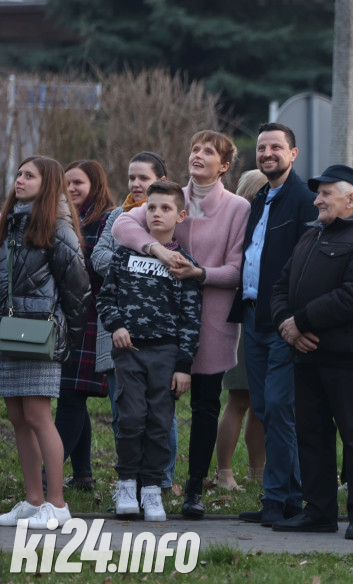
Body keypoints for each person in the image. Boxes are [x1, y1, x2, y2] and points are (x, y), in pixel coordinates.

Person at [113, 130, 250, 518]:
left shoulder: (238, 207)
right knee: (151, 408)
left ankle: (194, 490)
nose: (198, 155)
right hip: (157, 326)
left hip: (210, 319)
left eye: (209, 151)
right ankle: (144, 483)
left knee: (206, 406)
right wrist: (155, 248)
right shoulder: (171, 196)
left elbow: (238, 269)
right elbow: (122, 226)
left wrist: (199, 272)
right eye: (194, 148)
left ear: (224, 165)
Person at [269, 164, 353, 539]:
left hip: (348, 356)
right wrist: (289, 327)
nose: (316, 200)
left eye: (325, 194)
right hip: (306, 353)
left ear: (352, 198)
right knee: (311, 435)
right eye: (317, 193)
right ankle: (318, 511)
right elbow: (280, 287)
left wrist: (301, 321)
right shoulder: (312, 236)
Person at [228, 123, 317, 526]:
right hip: (252, 317)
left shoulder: (303, 201)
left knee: (280, 407)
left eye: (276, 148)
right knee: (264, 408)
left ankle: (283, 499)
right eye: (262, 148)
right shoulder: (260, 198)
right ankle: (284, 496)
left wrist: (296, 319)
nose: (267, 154)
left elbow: (306, 267)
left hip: (284, 322)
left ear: (293, 154)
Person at [97, 180, 201, 522]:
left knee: (159, 422)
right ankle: (127, 482)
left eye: (166, 208)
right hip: (130, 352)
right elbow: (106, 297)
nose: (157, 214)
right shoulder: (127, 254)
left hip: (166, 355)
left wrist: (183, 364)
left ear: (180, 215)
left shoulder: (184, 263)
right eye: (152, 208)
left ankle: (152, 488)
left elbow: (190, 318)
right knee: (129, 418)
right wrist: (117, 326)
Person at [0, 155, 89, 529]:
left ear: (47, 182)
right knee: (18, 416)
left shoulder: (57, 227)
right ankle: (34, 501)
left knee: (38, 415)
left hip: (39, 335)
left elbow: (78, 291)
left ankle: (57, 504)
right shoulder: (10, 224)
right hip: (7, 331)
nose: (19, 180)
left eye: (29, 175)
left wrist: (67, 339)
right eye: (19, 173)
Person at [91, 152, 174, 488]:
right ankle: (129, 480)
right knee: (123, 411)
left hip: (159, 334)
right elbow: (98, 257)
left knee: (160, 415)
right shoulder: (116, 217)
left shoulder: (171, 218)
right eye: (131, 178)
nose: (136, 184)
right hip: (116, 327)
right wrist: (145, 259)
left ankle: (160, 480)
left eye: (144, 178)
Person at [55, 160, 116, 492]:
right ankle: (82, 475)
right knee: (71, 395)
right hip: (67, 319)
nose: (71, 188)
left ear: (95, 184)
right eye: (66, 183)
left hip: (92, 318)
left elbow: (100, 269)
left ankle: (48, 478)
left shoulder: (106, 220)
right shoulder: (65, 218)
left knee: (70, 397)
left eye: (77, 182)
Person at [215, 169, 268, 491]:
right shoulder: (238, 228)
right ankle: (224, 473)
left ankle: (257, 473)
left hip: (265, 321)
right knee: (238, 400)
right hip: (240, 320)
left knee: (261, 402)